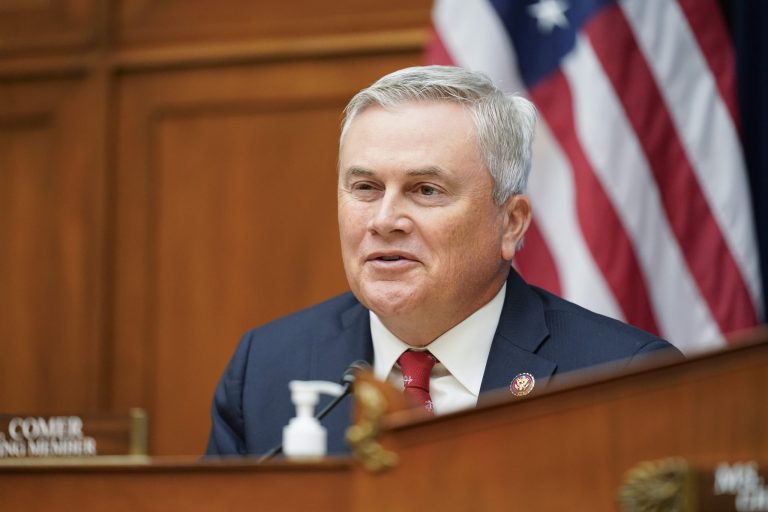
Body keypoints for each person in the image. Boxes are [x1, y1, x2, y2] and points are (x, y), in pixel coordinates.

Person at [206, 65, 681, 457]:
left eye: (426, 190)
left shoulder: (623, 380)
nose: (385, 219)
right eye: (365, 188)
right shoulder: (266, 367)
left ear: (511, 223)